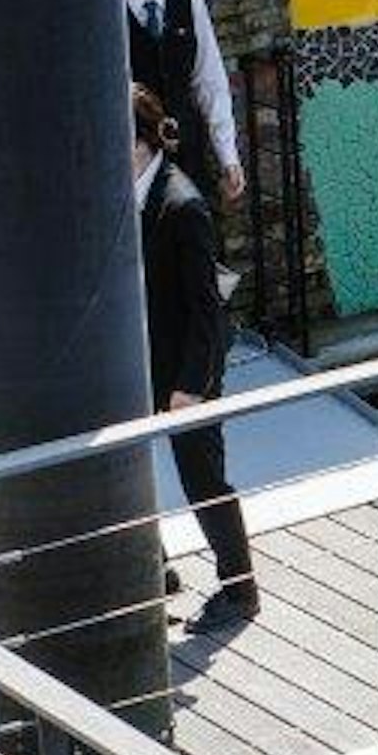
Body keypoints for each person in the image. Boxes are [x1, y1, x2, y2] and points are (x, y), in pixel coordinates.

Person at [136, 82, 255, 627]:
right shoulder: (132, 192)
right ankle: (153, 568)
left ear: (141, 143)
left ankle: (239, 587)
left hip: (184, 364)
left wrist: (191, 386)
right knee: (127, 464)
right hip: (141, 355)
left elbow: (208, 309)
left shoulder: (181, 206)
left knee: (203, 477)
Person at [123, 0, 246, 213]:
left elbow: (210, 80)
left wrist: (227, 155)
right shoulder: (104, 9)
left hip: (186, 148)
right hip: (132, 157)